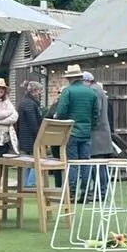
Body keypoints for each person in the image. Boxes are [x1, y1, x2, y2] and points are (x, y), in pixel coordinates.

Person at [52, 63, 101, 200]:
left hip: (71, 132)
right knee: (85, 162)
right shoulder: (91, 92)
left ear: (69, 78)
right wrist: (90, 126)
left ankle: (72, 193)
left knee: (72, 163)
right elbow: (96, 114)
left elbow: (61, 112)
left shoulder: (67, 91)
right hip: (86, 132)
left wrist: (57, 117)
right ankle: (85, 192)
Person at [17, 81, 44, 188]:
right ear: (35, 91)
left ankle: (25, 184)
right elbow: (33, 122)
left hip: (24, 136)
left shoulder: (24, 102)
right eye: (39, 91)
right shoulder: (30, 104)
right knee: (36, 160)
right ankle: (30, 184)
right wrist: (39, 135)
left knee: (26, 161)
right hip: (30, 137)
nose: (40, 93)